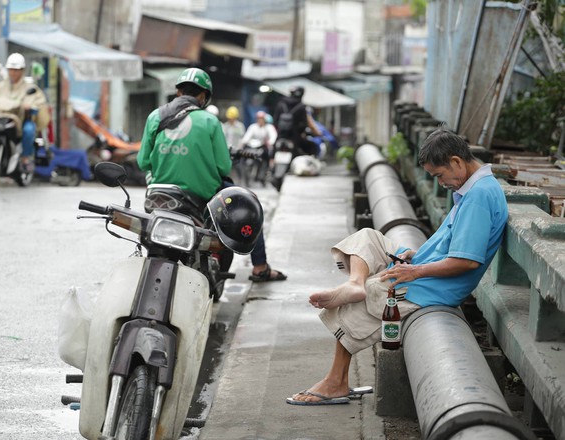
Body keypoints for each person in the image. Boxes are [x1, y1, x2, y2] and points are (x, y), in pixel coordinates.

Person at [287, 126, 508, 405]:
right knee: (369, 238)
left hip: (433, 287)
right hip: (424, 262)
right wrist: (415, 256)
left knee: (370, 293)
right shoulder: (472, 186)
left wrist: (414, 271)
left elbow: (465, 260)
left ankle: (336, 381)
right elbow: (451, 244)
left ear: (456, 162)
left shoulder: (478, 197)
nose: (440, 183)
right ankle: (355, 282)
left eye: (439, 176)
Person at [137, 67, 287, 282]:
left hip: (159, 196)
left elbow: (143, 162)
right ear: (203, 96)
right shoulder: (208, 121)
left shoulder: (155, 116)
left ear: (179, 92)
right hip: (199, 198)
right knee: (248, 207)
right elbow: (224, 168)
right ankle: (260, 267)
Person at [0, 53, 50, 169]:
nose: (13, 73)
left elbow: (38, 101)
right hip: (1, 119)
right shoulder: (2, 86)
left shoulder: (29, 87)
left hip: (20, 121)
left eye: (16, 70)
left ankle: (25, 158)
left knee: (29, 130)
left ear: (22, 70)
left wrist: (30, 106)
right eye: (11, 70)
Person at [273, 85, 321, 157]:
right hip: (295, 137)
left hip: (280, 136)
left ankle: (270, 165)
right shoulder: (301, 107)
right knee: (311, 148)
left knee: (273, 153)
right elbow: (304, 124)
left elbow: (275, 120)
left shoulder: (281, 104)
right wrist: (302, 132)